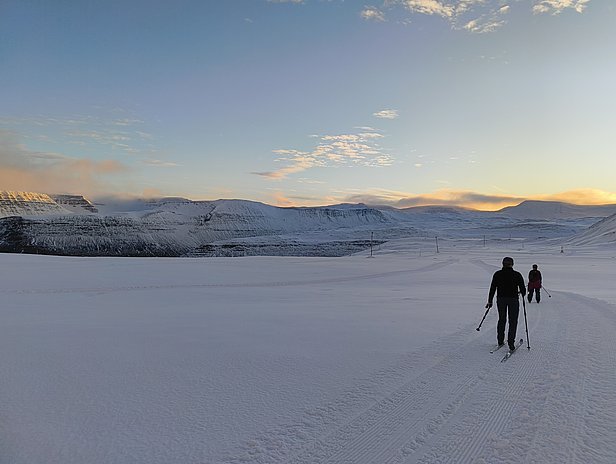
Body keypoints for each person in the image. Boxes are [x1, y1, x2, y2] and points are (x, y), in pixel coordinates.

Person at [486, 257, 526, 351]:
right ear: (512, 264)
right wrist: (521, 292)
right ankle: (511, 343)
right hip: (513, 300)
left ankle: (500, 340)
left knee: (502, 319)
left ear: (502, 264)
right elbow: (523, 291)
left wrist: (490, 301)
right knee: (513, 321)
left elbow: (492, 288)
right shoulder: (517, 274)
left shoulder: (497, 274)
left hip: (501, 299)